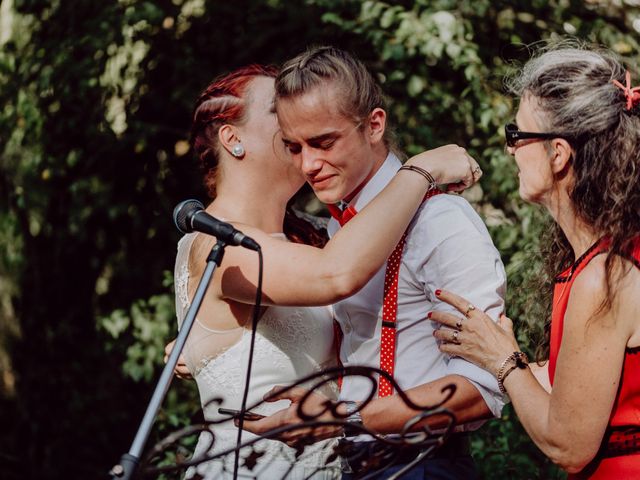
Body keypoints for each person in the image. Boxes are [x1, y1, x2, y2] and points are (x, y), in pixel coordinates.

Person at [171, 63, 481, 479]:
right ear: (233, 138)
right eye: (278, 113)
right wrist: (422, 171)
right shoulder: (216, 243)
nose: (293, 119)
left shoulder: (321, 234)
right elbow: (335, 275)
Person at [242, 46, 507, 479]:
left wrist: (345, 416)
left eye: (324, 142)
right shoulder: (338, 231)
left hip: (426, 462)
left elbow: (483, 387)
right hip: (357, 462)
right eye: (294, 147)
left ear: (374, 125)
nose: (308, 164)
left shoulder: (440, 220)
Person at [429, 44, 640, 479]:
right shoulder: (612, 257)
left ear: (558, 153)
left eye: (517, 136)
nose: (510, 150)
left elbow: (569, 444)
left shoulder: (604, 277)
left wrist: (504, 359)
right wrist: (504, 360)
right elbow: (587, 389)